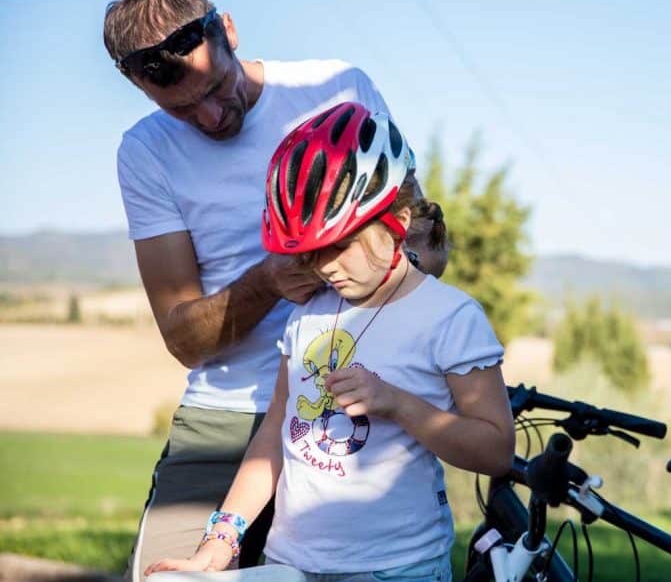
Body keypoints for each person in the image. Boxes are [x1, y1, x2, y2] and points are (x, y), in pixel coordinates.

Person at [104, 0, 448, 580]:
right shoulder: (144, 153)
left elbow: (426, 245)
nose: (211, 117)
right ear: (140, 88)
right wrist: (269, 280)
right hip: (225, 411)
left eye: (215, 87)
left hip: (354, 397)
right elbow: (183, 339)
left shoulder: (339, 87)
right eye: (181, 109)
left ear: (229, 31)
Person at [144, 101, 515, 580]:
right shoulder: (308, 312)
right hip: (290, 565)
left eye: (337, 246)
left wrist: (400, 405)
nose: (324, 267)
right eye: (308, 252)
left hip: (397, 569)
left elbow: (496, 451)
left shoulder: (450, 317)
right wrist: (223, 537)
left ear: (397, 220)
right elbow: (275, 432)